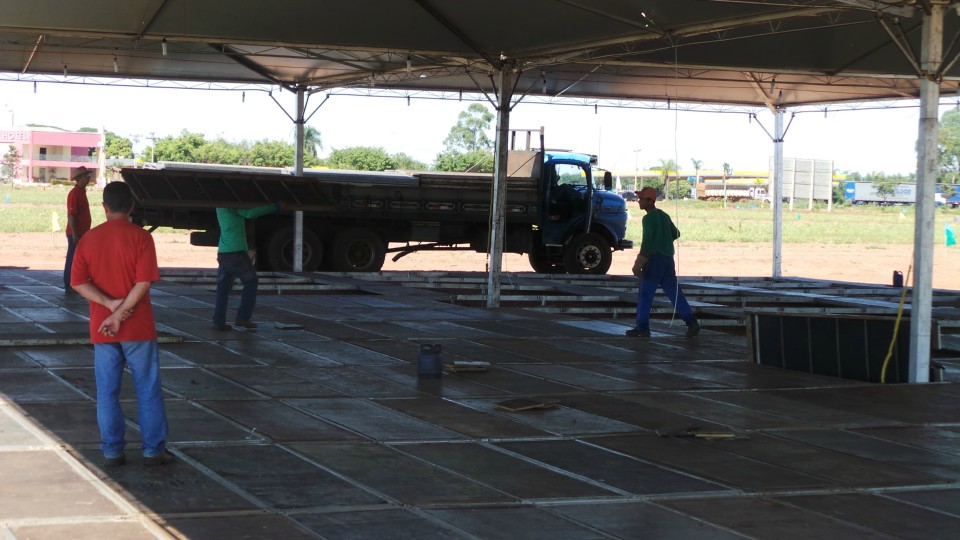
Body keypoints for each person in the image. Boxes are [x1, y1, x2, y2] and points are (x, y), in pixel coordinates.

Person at [71, 181, 173, 467]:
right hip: (138, 327)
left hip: (103, 329)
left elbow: (78, 282)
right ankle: (153, 451)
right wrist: (122, 312)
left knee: (107, 393)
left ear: (104, 207)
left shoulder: (88, 239)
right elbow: (143, 282)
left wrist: (110, 309)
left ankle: (112, 450)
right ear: (131, 206)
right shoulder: (141, 238)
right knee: (148, 389)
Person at [626, 186, 700, 338]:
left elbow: (647, 242)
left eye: (641, 199)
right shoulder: (664, 216)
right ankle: (692, 322)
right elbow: (676, 233)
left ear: (650, 201)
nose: (638, 201)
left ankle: (643, 328)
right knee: (674, 293)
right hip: (668, 260)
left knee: (646, 294)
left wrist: (638, 264)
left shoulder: (648, 218)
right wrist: (664, 241)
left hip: (654, 261)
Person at [213, 203, 283, 330]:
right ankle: (243, 317)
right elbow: (250, 213)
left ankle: (219, 320)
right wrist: (274, 207)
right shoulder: (232, 205)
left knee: (223, 288)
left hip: (223, 252)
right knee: (251, 282)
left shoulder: (219, 206)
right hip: (236, 253)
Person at [64, 166, 93, 292]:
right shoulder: (74, 194)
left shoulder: (81, 192)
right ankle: (69, 283)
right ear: (79, 178)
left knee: (77, 258)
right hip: (76, 233)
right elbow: (71, 215)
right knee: (72, 258)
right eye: (86, 176)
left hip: (81, 233)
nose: (88, 178)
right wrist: (75, 234)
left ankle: (74, 282)